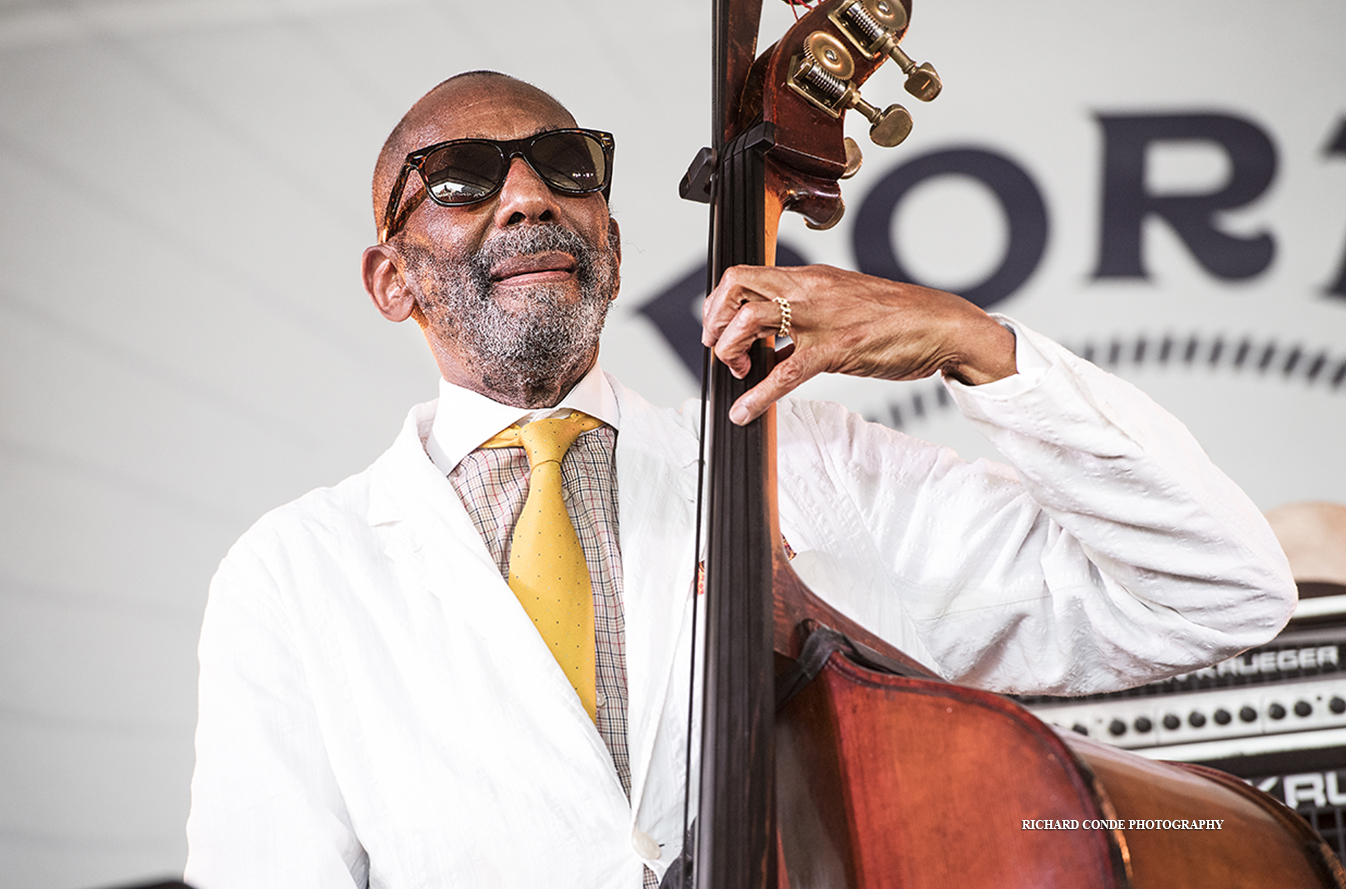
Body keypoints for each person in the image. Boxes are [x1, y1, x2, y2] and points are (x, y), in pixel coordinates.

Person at [184, 71, 1296, 888]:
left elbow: (1216, 592)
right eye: (462, 181)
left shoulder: (803, 461)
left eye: (566, 168)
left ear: (608, 238)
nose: (527, 197)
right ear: (391, 280)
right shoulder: (295, 572)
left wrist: (974, 344)